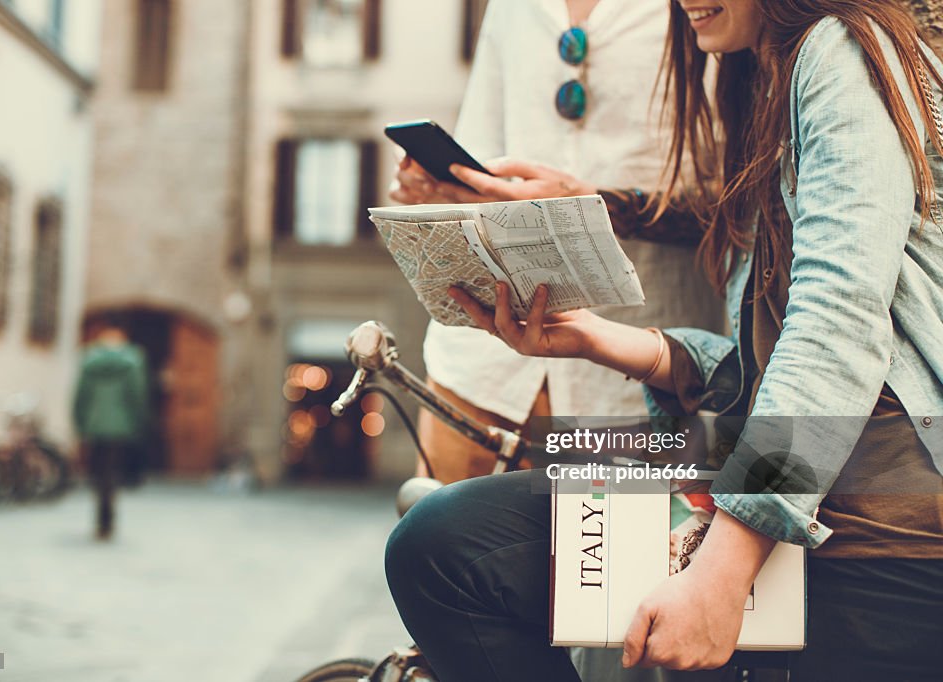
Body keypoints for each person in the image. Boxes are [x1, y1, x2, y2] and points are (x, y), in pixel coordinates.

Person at [386, 1, 943, 680]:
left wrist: (723, 572)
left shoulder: (841, 51)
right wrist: (615, 343)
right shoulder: (770, 74)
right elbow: (772, 363)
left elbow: (839, 327)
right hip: (824, 493)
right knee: (446, 539)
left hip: (877, 530)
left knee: (451, 553)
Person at [391, 0, 724, 485]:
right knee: (444, 551)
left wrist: (594, 203)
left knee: (619, 560)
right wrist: (438, 188)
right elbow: (481, 152)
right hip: (480, 369)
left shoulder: (717, 10)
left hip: (634, 376)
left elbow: (750, 204)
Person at [73, 319, 150, 540]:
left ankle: (100, 518)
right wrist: (139, 421)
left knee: (98, 473)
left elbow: (81, 395)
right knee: (112, 472)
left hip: (95, 424)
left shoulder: (90, 360)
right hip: (121, 425)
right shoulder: (133, 361)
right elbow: (137, 395)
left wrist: (80, 421)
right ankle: (109, 519)